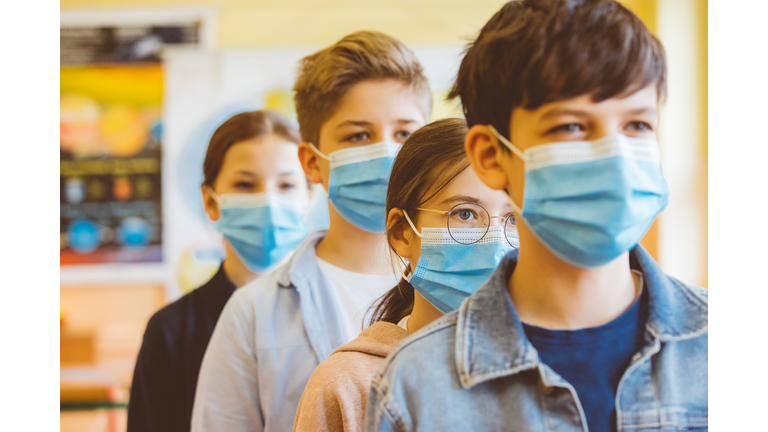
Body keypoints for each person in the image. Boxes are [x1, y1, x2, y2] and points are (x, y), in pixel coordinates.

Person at [365, 1, 708, 432]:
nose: (615, 156)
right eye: (571, 127)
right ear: (491, 156)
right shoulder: (416, 385)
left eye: (637, 125)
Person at [190, 31, 432, 432]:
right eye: (358, 136)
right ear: (311, 161)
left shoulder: (465, 289)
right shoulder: (253, 314)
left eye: (405, 134)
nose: (387, 153)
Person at [293, 117, 518, 432]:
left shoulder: (547, 367)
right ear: (402, 233)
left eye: (512, 218)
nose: (495, 240)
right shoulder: (349, 386)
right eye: (464, 213)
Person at [127, 110, 312, 432]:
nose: (267, 200)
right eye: (244, 184)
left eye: (285, 184)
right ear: (210, 201)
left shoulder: (335, 309)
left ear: (308, 199)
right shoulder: (170, 332)